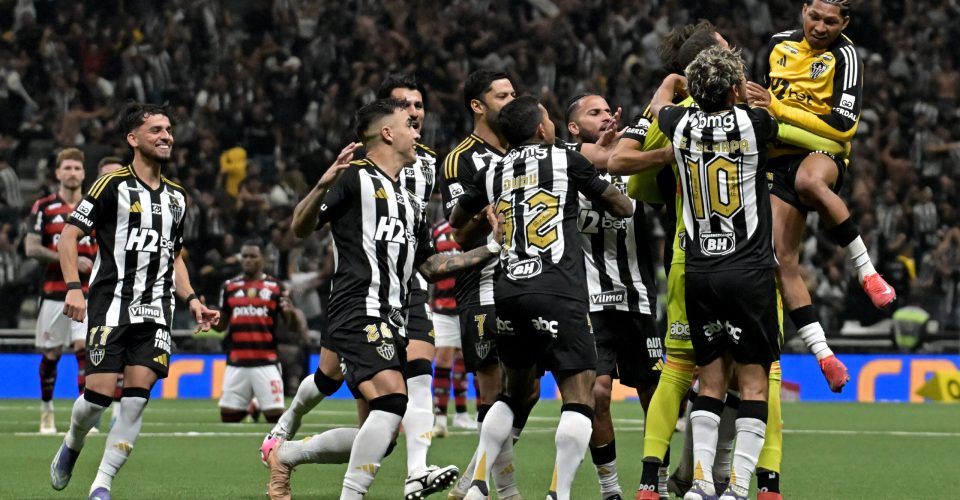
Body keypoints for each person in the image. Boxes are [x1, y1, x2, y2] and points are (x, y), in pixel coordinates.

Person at [260, 98, 503, 500]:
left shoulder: (410, 201)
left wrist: (490, 248)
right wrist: (322, 184)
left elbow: (430, 266)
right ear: (388, 133)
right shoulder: (353, 178)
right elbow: (301, 227)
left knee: (384, 427)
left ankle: (286, 454)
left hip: (393, 316)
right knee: (393, 400)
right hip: (357, 309)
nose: (418, 133)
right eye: (410, 125)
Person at [450, 96, 634, 500]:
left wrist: (491, 228)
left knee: (512, 394)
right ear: (541, 129)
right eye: (548, 118)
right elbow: (621, 207)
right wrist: (627, 201)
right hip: (560, 290)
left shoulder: (492, 170)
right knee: (580, 393)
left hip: (509, 292)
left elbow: (456, 224)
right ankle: (558, 493)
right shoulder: (565, 161)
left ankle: (479, 481)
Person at [50, 102, 219, 500]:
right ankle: (73, 442)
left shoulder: (179, 198)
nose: (166, 136)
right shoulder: (111, 187)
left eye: (169, 130)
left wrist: (192, 299)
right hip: (111, 306)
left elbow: (173, 255)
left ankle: (102, 484)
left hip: (157, 312)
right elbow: (68, 237)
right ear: (133, 139)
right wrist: (74, 286)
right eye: (156, 130)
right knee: (97, 398)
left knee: (137, 399)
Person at [650, 46, 779, 500]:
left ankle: (701, 482)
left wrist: (675, 84)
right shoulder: (755, 123)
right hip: (748, 269)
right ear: (735, 89)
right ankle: (738, 486)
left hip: (700, 269)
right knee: (754, 382)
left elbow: (659, 106)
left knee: (710, 380)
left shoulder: (677, 124)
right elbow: (770, 120)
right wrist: (749, 98)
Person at [745, 0, 882, 394]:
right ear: (803, 10)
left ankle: (867, 271)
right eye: (814, 17)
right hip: (776, 161)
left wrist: (779, 111)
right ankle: (824, 355)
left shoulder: (846, 56)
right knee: (779, 258)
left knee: (810, 183)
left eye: (831, 21)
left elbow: (842, 125)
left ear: (845, 23)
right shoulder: (777, 45)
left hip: (820, 152)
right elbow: (759, 103)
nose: (820, 27)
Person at [564, 93, 662, 500]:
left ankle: (655, 479)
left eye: (607, 111)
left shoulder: (632, 156)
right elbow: (576, 154)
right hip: (591, 300)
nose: (605, 116)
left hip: (638, 297)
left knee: (655, 395)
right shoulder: (567, 160)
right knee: (598, 393)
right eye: (594, 113)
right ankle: (610, 488)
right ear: (573, 127)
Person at [440, 69, 523, 500]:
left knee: (521, 388)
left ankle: (475, 482)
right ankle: (497, 490)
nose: (512, 100)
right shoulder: (461, 159)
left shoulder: (524, 149)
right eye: (502, 95)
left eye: (513, 93)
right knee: (493, 387)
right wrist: (488, 218)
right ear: (478, 105)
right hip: (484, 282)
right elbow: (459, 235)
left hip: (526, 279)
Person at [27, 148, 97, 434]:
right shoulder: (44, 207)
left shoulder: (94, 208)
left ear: (83, 174)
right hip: (54, 293)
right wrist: (67, 258)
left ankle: (84, 416)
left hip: (88, 293)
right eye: (67, 168)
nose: (72, 173)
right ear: (57, 173)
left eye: (77, 169)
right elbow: (31, 248)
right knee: (52, 354)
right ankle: (47, 409)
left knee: (85, 350)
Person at [214, 239, 299, 423]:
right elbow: (221, 325)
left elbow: (293, 327)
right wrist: (208, 318)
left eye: (253, 256)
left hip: (266, 361)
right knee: (228, 418)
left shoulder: (276, 287)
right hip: (237, 361)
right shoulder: (229, 287)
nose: (248, 260)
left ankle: (257, 402)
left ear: (264, 259)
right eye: (244, 256)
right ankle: (252, 404)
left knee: (274, 419)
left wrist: (291, 313)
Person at [429, 219, 474, 437]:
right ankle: (439, 418)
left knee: (465, 360)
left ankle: (462, 413)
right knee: (444, 359)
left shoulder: (474, 226)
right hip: (441, 306)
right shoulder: (437, 231)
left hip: (467, 303)